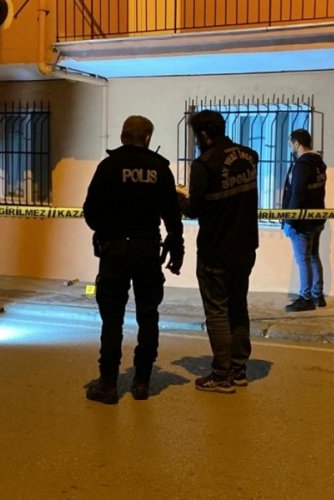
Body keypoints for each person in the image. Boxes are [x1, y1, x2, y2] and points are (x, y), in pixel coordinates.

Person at [83, 116, 184, 404]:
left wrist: (107, 230)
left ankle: (108, 383)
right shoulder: (159, 168)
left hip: (115, 250)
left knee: (112, 317)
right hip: (147, 250)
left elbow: (91, 212)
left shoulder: (109, 166)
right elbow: (172, 215)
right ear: (148, 137)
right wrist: (177, 248)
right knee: (148, 315)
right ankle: (142, 381)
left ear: (122, 135)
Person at [177, 110, 258, 394]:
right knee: (238, 306)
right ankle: (238, 369)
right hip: (246, 246)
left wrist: (179, 198)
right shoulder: (249, 156)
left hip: (217, 249)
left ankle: (221, 375)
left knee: (218, 311)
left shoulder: (204, 164)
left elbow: (195, 209)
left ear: (202, 135)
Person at [282, 129, 328, 312]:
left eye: (290, 144)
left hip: (302, 222)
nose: (290, 148)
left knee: (303, 260)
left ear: (297, 144)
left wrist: (290, 221)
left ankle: (305, 298)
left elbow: (297, 195)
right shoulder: (318, 163)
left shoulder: (302, 165)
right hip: (317, 218)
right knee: (314, 256)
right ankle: (318, 295)